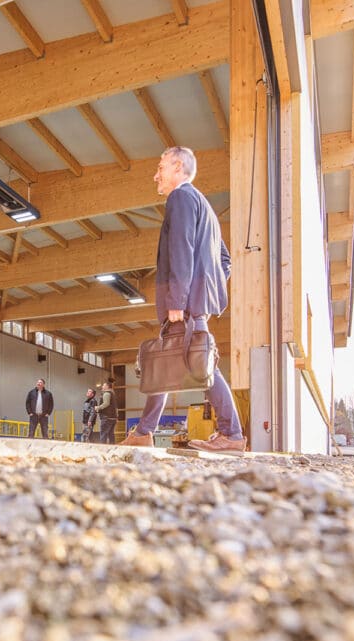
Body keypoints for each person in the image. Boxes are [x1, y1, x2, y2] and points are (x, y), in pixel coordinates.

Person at [120, 146, 246, 452]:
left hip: (184, 305)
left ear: (178, 168)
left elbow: (181, 249)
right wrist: (205, 288)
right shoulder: (204, 207)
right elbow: (224, 261)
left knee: (203, 368)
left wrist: (178, 299)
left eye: (161, 167)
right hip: (194, 302)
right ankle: (144, 431)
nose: (156, 174)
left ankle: (232, 434)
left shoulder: (181, 197)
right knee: (168, 365)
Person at [96, 380, 118, 445]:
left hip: (106, 417)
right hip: (113, 418)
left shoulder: (106, 393)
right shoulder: (113, 394)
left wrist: (98, 407)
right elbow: (116, 408)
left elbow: (106, 403)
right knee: (111, 434)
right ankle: (112, 448)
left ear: (107, 386)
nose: (102, 386)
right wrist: (117, 417)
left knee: (103, 434)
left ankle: (103, 449)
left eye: (103, 385)